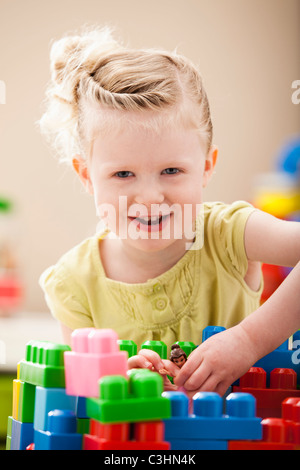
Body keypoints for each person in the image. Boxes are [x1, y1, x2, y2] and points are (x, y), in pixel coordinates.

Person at [38, 26, 300, 397]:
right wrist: (117, 382)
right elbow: (84, 398)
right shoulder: (72, 284)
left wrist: (248, 340)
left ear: (207, 166)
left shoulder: (229, 235)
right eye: (123, 174)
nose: (148, 197)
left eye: (171, 171)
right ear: (86, 176)